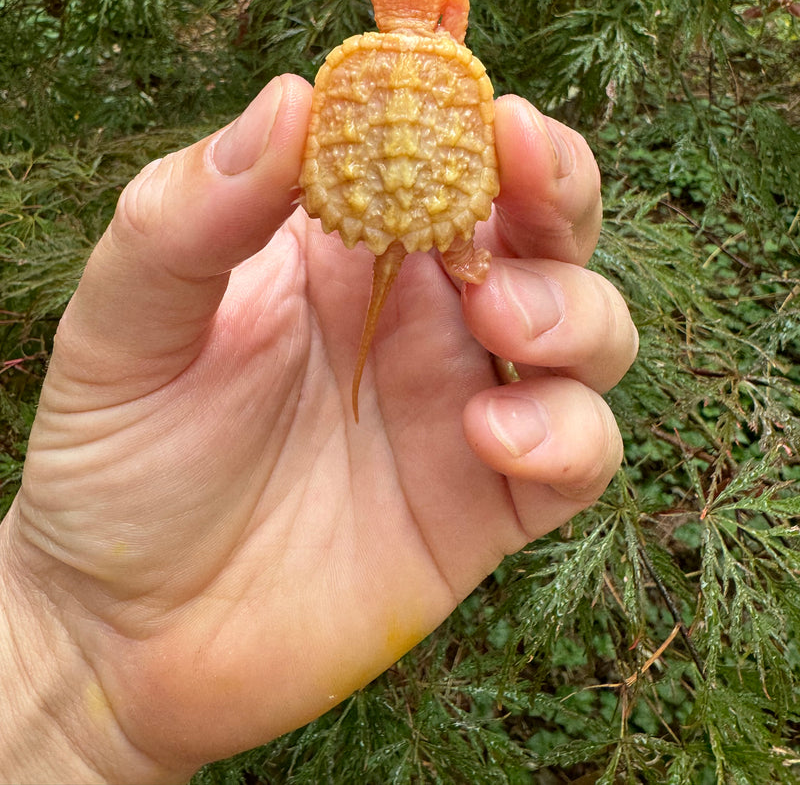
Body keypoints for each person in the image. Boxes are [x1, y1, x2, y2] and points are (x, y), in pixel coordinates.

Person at [0, 75, 638, 784]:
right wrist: (64, 636)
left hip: (374, 195)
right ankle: (463, 257)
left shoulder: (351, 69)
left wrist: (71, 672)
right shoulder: (450, 65)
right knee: (474, 246)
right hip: (424, 200)